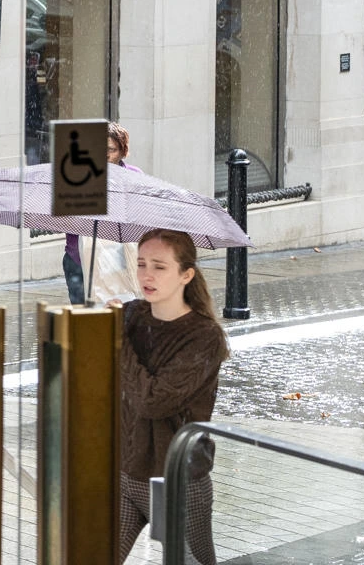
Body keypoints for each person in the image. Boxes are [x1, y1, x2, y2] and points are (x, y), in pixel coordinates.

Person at [116, 227, 228, 565]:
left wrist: (116, 342)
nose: (146, 275)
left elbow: (152, 401)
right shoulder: (131, 315)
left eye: (159, 267)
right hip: (125, 473)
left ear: (186, 275)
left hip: (176, 481)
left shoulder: (204, 337)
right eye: (141, 264)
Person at [63, 122, 138, 305]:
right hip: (79, 259)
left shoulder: (134, 177)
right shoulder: (78, 177)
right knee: (83, 315)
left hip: (117, 259)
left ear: (122, 151)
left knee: (118, 310)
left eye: (111, 150)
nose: (105, 154)